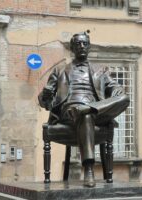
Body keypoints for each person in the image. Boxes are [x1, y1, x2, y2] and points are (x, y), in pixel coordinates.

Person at [38, 31, 129, 187]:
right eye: (78, 43)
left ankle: (88, 109)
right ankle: (88, 170)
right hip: (70, 111)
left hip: (97, 112)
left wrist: (116, 91)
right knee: (85, 116)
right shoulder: (59, 70)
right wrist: (45, 95)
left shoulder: (101, 70)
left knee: (125, 98)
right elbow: (44, 101)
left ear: (89, 47)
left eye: (84, 43)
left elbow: (114, 87)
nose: (81, 46)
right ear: (72, 47)